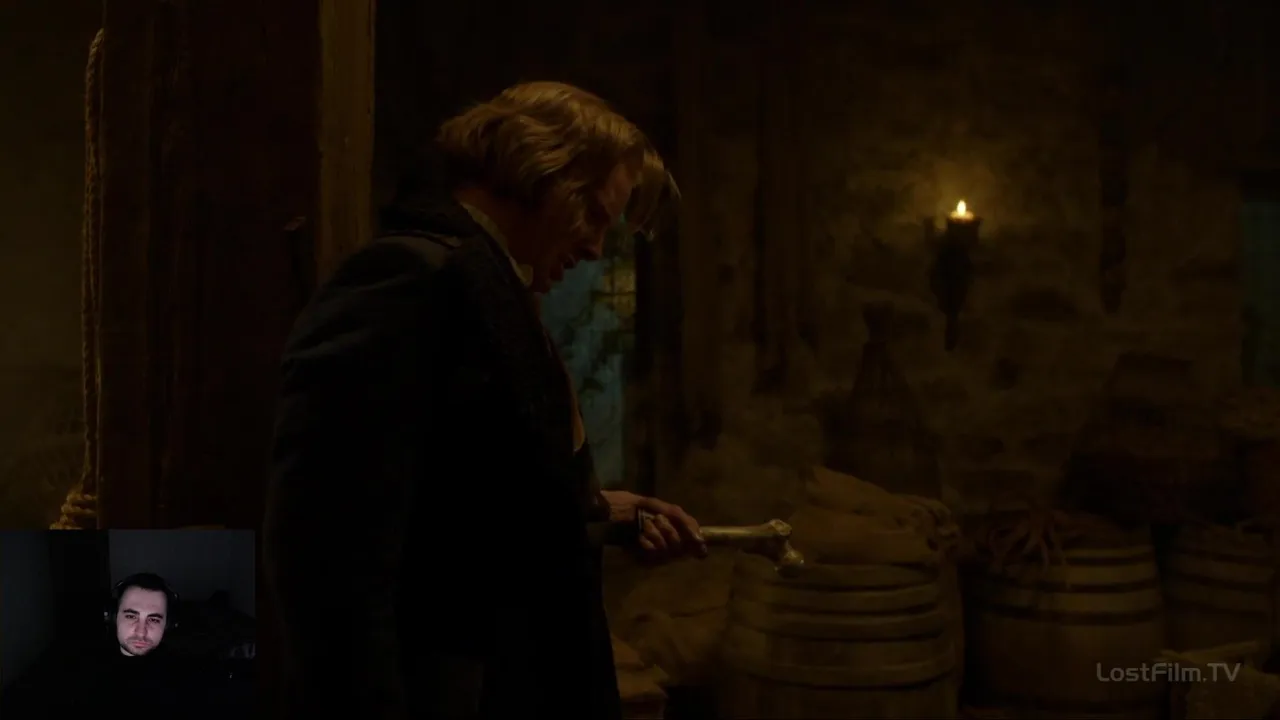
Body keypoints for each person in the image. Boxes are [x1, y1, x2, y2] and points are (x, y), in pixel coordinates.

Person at [264, 81, 706, 720]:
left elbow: (459, 494)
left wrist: (592, 509)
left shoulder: (491, 288)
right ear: (542, 172)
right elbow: (327, 545)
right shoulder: (412, 278)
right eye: (593, 215)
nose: (594, 248)